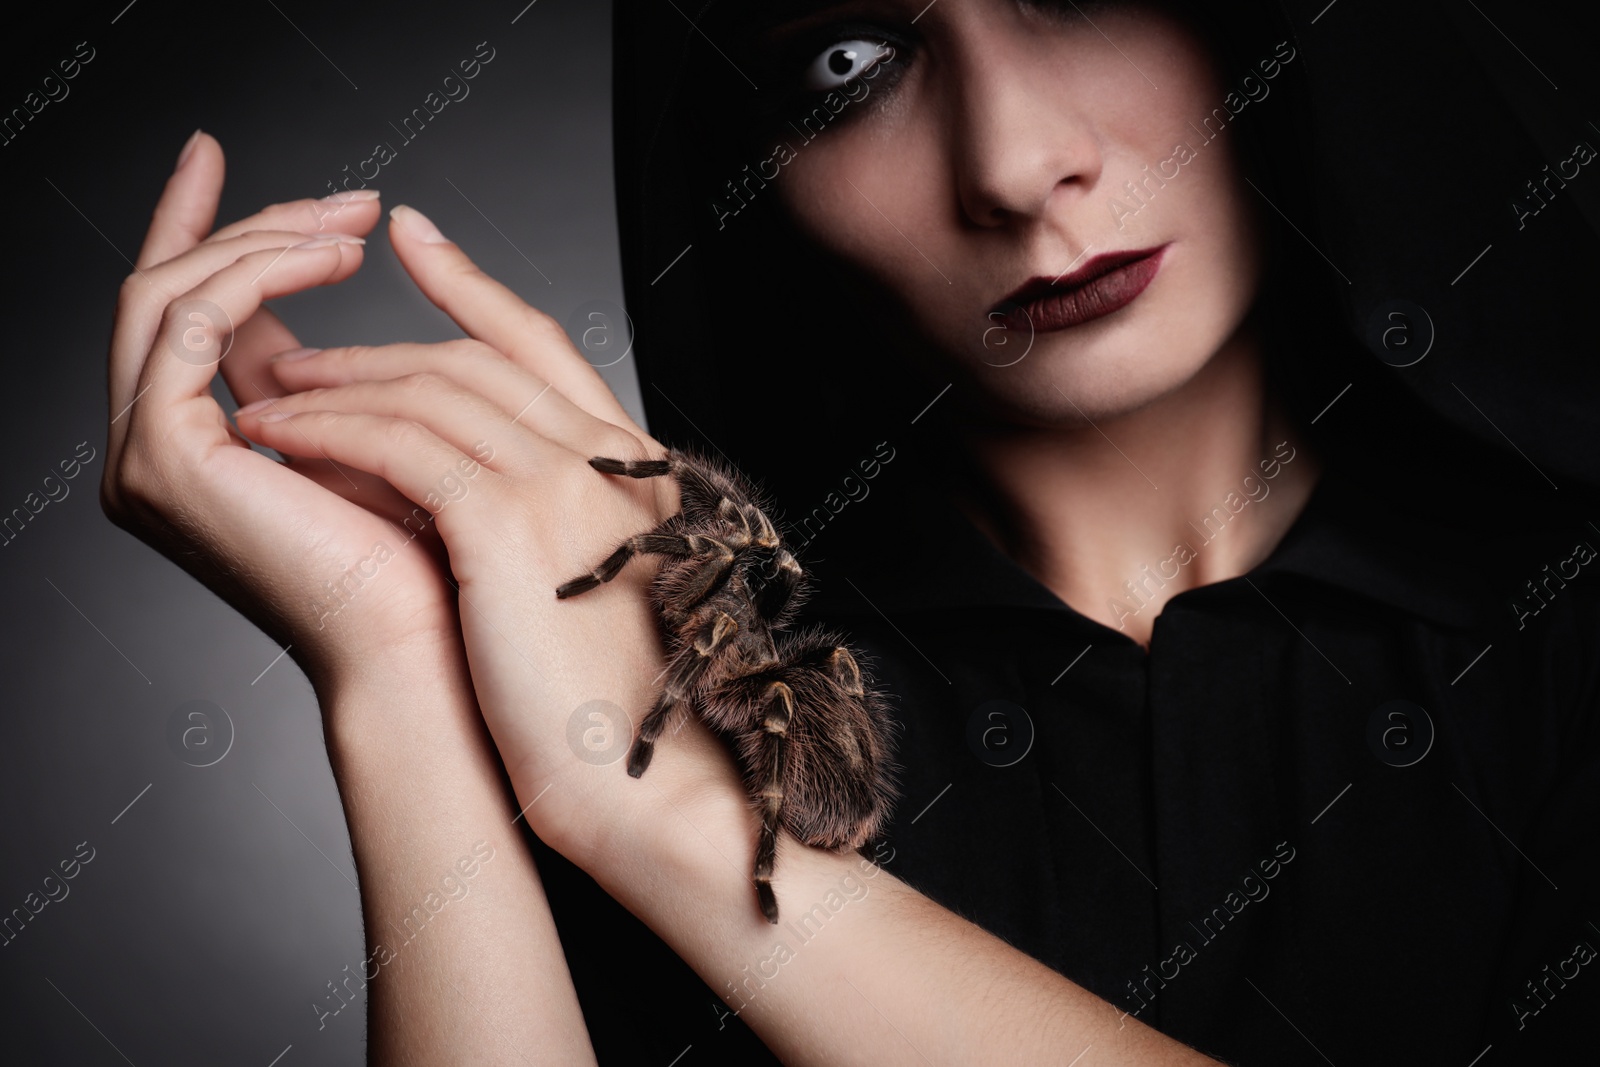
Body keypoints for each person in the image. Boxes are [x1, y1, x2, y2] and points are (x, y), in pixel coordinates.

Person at [102, 0, 1599, 1063]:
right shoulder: (625, 692)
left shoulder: (1557, 642)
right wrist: (398, 673)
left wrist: (675, 826)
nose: (1015, 165)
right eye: (847, 60)